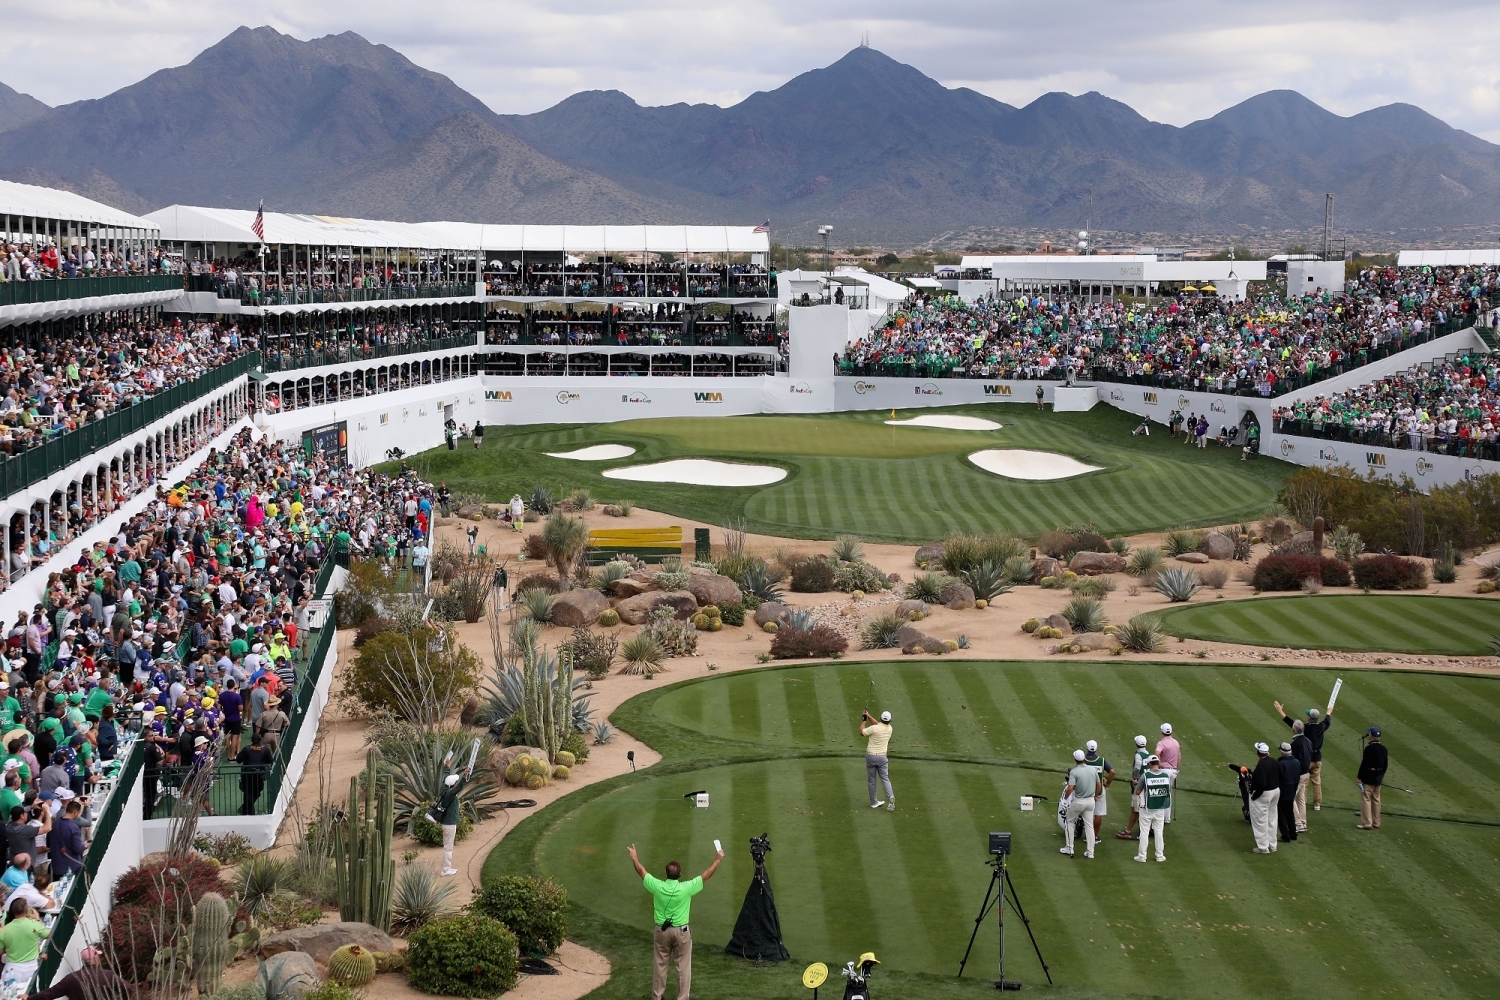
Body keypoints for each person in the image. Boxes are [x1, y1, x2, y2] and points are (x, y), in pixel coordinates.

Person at [627, 843, 724, 1000]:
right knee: (683, 967)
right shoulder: (686, 888)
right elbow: (706, 875)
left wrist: (634, 858)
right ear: (679, 875)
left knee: (660, 965)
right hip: (681, 933)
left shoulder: (657, 886)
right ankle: (682, 997)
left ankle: (657, 997)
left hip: (661, 932)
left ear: (666, 874)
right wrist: (717, 860)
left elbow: (641, 872)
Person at [1276, 700, 1332, 811]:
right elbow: (1327, 721)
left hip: (1308, 758)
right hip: (1318, 758)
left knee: (1304, 783)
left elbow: (1291, 723)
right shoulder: (1321, 727)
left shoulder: (1305, 728)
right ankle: (1317, 804)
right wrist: (1329, 712)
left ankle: (1302, 803)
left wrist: (1280, 711)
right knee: (1317, 782)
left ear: (1309, 718)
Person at [27, 944, 130, 1000]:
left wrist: (29, 998)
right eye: (98, 956)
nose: (99, 959)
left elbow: (49, 994)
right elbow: (128, 988)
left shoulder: (71, 979)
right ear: (95, 959)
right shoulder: (108, 975)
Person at [0, 897, 47, 987]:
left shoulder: (4, 930)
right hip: (30, 968)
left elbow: (1, 953)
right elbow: (47, 935)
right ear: (26, 911)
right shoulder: (34, 925)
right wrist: (37, 919)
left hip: (12, 969)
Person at [435, 755, 470, 876]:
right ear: (453, 785)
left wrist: (447, 767)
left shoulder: (444, 789)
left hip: (446, 823)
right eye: (455, 781)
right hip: (449, 824)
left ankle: (446, 868)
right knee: (448, 848)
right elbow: (460, 787)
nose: (456, 782)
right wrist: (465, 776)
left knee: (447, 847)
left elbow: (446, 778)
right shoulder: (450, 793)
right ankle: (445, 870)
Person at [1061, 749, 1097, 859]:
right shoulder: (1092, 769)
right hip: (1090, 801)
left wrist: (1065, 798)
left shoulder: (1074, 772)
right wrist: (1096, 795)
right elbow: (1099, 784)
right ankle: (1090, 852)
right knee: (1089, 826)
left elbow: (1070, 787)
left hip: (1079, 801)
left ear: (1075, 759)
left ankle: (1069, 848)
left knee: (1069, 822)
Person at [1134, 755, 1170, 863]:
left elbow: (1137, 792)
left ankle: (1142, 856)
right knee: (1159, 832)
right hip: (1160, 808)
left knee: (1144, 832)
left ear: (1149, 764)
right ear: (1158, 763)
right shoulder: (1165, 776)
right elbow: (1169, 793)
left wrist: (1136, 784)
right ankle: (1159, 855)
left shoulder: (1145, 775)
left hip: (1146, 808)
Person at [1248, 742, 1280, 854]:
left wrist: (1254, 797)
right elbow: (1281, 776)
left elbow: (1262, 784)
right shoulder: (1274, 761)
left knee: (1260, 820)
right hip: (1275, 791)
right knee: (1271, 819)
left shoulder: (1261, 765)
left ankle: (1263, 847)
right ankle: (1272, 845)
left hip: (1264, 794)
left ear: (1258, 752)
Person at [1117, 735, 1151, 840]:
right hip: (1145, 784)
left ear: (1136, 744)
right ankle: (1132, 830)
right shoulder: (1148, 754)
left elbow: (1137, 767)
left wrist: (1135, 779)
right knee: (1136, 808)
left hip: (1139, 785)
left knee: (1136, 809)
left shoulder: (1138, 755)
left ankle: (1131, 831)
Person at [859, 710, 894, 811]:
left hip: (871, 757)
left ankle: (874, 802)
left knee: (872, 780)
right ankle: (891, 798)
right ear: (890, 720)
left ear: (880, 718)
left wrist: (864, 720)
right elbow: (878, 725)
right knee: (885, 779)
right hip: (882, 758)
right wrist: (869, 715)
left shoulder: (874, 728)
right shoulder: (890, 729)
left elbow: (861, 732)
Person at [1081, 739, 1114, 843]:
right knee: (1098, 814)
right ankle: (1094, 837)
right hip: (1098, 791)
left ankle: (1084, 834)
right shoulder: (1101, 760)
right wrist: (1108, 783)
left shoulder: (1082, 760)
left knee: (1084, 813)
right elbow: (1112, 772)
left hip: (1084, 791)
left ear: (1087, 748)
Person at [235, 730, 274, 815]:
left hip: (247, 775)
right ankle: (248, 811)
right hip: (259, 776)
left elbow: (238, 760)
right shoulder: (265, 750)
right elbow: (271, 761)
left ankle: (245, 809)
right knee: (256, 793)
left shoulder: (246, 749)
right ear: (260, 740)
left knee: (247, 793)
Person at [1357, 726, 1388, 830]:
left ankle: (1367, 823)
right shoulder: (1384, 749)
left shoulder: (1369, 748)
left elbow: (1365, 764)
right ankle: (1376, 822)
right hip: (1378, 778)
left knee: (1366, 798)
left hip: (1369, 777)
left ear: (1370, 735)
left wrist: (1359, 777)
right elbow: (1385, 765)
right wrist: (1380, 776)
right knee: (1376, 799)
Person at [1289, 720, 1312, 833]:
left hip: (1299, 774)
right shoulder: (1308, 741)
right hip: (1306, 773)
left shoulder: (1296, 744)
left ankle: (1298, 823)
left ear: (1294, 730)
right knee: (1301, 798)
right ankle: (1303, 822)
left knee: (1290, 797)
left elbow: (1296, 761)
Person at [1155, 722, 1180, 823]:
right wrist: (1176, 769)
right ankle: (1167, 818)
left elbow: (1157, 753)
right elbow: (1179, 758)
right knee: (1168, 793)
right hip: (1173, 771)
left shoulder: (1161, 743)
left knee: (1161, 794)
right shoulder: (1176, 743)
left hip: (1164, 771)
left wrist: (1158, 764)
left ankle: (1160, 817)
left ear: (1162, 732)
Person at [1276, 742, 1300, 843]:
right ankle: (1293, 833)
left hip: (1283, 791)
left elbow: (1278, 778)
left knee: (1281, 814)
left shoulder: (1281, 763)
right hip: (1292, 790)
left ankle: (1285, 835)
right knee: (1290, 813)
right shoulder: (1296, 762)